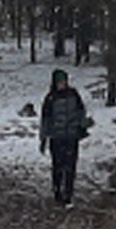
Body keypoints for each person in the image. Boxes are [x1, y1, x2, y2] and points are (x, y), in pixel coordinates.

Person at [39, 68, 88, 207]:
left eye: (64, 81)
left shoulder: (73, 95)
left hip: (71, 136)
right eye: (59, 82)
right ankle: (57, 192)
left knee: (71, 166)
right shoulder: (50, 98)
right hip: (57, 137)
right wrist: (44, 138)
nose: (62, 84)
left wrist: (82, 126)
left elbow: (81, 111)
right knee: (58, 166)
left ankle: (68, 193)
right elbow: (46, 120)